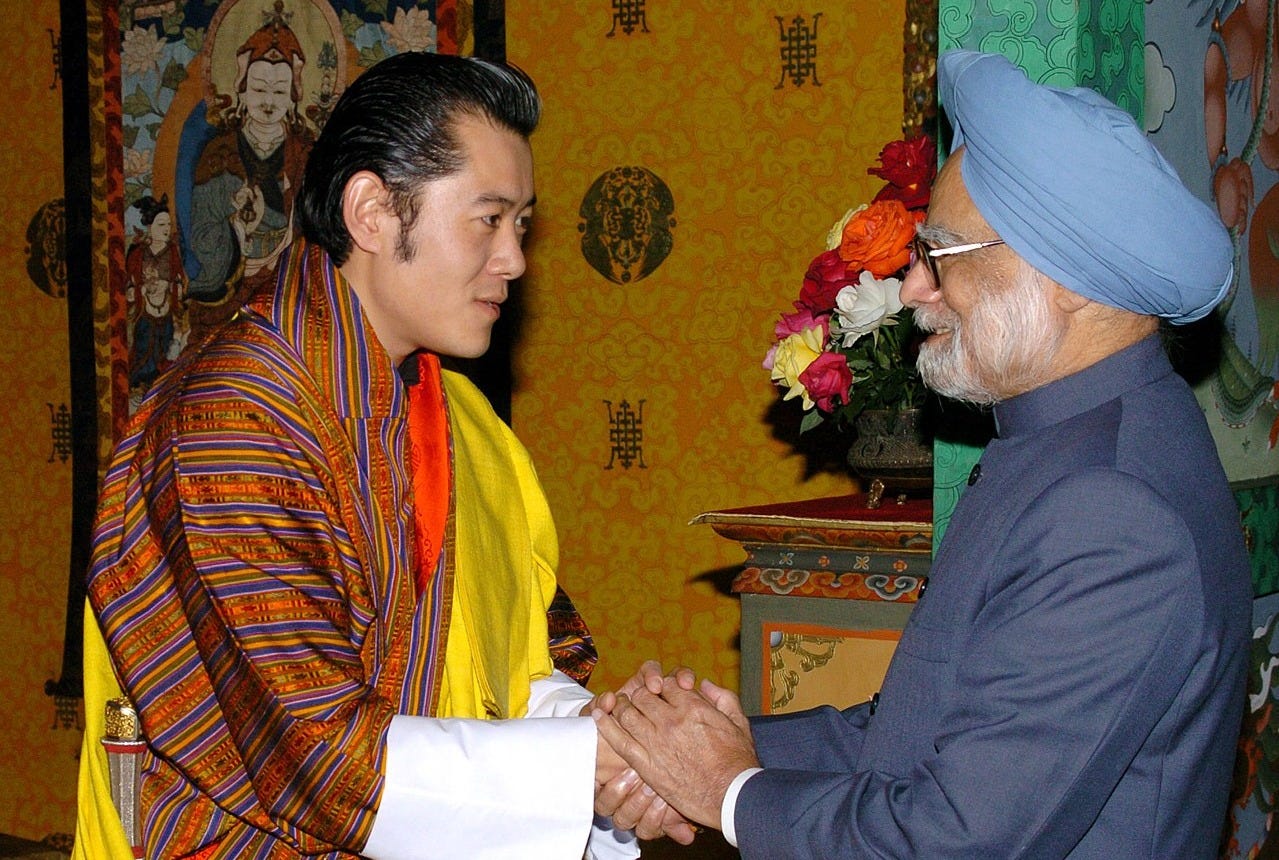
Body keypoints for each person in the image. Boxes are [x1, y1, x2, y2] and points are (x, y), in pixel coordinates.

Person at [594, 49, 1253, 858]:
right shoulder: (1066, 446)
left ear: (1069, 278)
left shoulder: (1113, 511)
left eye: (937, 256)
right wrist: (715, 745)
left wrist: (728, 791)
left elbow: (953, 840)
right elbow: (921, 731)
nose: (911, 290)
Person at [73, 51, 653, 859]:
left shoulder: (462, 422)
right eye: (488, 219)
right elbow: (317, 752)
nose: (515, 258)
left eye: (521, 224)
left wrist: (603, 730)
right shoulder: (232, 421)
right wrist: (584, 767)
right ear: (373, 211)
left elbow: (508, 664)